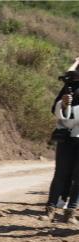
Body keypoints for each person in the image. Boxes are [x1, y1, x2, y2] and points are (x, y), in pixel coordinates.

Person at [41, 56, 79, 224]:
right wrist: (63, 104)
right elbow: (55, 108)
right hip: (68, 136)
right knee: (61, 174)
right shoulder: (70, 86)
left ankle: (71, 212)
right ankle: (50, 209)